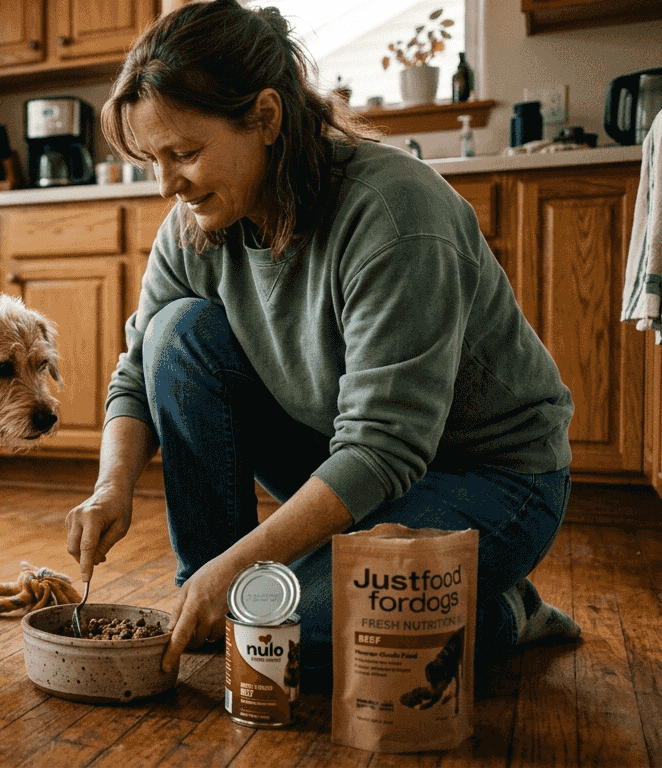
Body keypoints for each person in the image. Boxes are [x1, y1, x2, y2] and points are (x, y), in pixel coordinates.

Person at [64, 0, 581, 688]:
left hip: (492, 480)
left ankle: (508, 611)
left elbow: (382, 446)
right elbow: (137, 375)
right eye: (152, 160)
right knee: (174, 333)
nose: (168, 184)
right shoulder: (195, 222)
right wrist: (110, 488)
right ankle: (208, 589)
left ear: (266, 118)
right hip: (350, 460)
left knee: (273, 633)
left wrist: (246, 571)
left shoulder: (396, 214)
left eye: (184, 153)